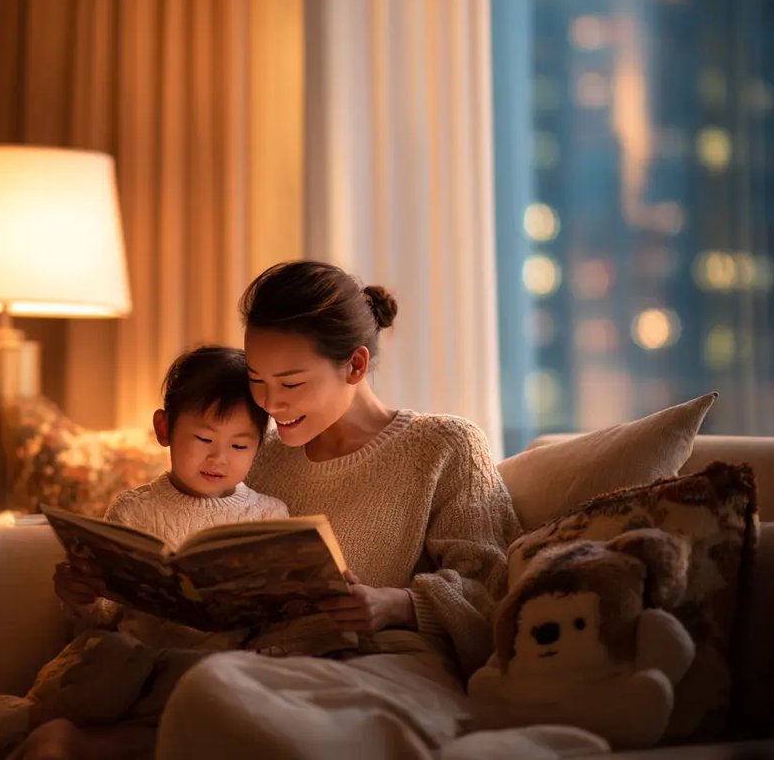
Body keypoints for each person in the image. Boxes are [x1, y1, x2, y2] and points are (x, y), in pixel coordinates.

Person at [156, 261, 521, 760]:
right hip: (266, 669)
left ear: (354, 365)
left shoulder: (444, 446)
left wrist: (396, 604)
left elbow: (500, 589)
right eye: (258, 380)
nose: (270, 403)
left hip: (388, 669)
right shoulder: (257, 459)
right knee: (209, 687)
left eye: (290, 383)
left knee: (218, 697)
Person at [0, 346, 289, 760]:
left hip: (210, 669)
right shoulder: (134, 508)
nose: (218, 457)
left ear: (259, 446)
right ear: (164, 428)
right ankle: (30, 723)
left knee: (205, 693)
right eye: (204, 438)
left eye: (240, 446)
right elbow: (104, 613)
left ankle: (64, 740)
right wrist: (81, 595)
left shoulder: (267, 513)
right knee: (114, 668)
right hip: (130, 665)